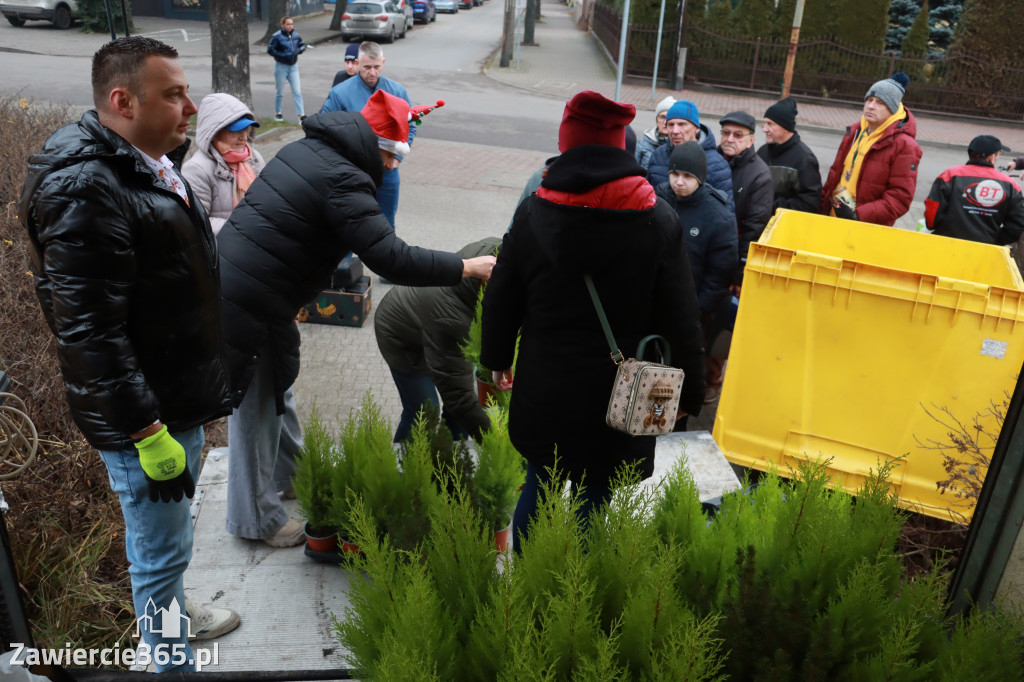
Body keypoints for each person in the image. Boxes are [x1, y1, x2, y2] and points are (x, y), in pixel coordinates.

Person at [18, 36, 239, 673]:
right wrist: (146, 431)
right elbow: (88, 330)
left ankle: (175, 614)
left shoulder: (141, 160)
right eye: (173, 95)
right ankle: (168, 663)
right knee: (158, 554)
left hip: (171, 395)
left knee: (167, 547)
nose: (190, 107)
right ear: (122, 100)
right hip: (150, 416)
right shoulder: (87, 188)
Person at [218, 90, 495, 547]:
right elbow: (391, 258)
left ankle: (290, 477)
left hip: (254, 290)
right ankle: (255, 521)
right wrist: (464, 266)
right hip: (250, 300)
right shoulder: (343, 179)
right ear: (376, 144)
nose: (393, 168)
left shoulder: (307, 149)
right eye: (393, 157)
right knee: (256, 409)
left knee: (277, 392)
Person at [481, 91, 705, 554]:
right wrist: (691, 390)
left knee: (540, 480)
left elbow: (504, 292)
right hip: (618, 389)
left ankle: (525, 586)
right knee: (595, 491)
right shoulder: (658, 219)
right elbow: (682, 313)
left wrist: (496, 358)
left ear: (568, 141)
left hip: (547, 380)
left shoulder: (534, 210)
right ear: (620, 146)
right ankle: (571, 598)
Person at [375, 236, 501, 443]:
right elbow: (458, 395)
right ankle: (405, 462)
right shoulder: (455, 318)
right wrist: (496, 445)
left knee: (459, 412)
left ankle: (453, 455)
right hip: (400, 333)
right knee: (423, 412)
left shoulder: (496, 253)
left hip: (432, 318)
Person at [655, 141, 737, 405]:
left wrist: (697, 309)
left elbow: (719, 274)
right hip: (657, 302)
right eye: (675, 174)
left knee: (684, 369)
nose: (679, 182)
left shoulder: (718, 217)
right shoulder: (658, 200)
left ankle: (680, 413)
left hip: (693, 311)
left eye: (687, 176)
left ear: (700, 178)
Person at [322, 41, 412, 230]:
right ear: (357, 63)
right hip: (352, 171)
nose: (372, 72)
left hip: (386, 171)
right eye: (367, 67)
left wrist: (397, 157)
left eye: (377, 67)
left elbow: (409, 125)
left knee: (385, 223)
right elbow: (326, 127)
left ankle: (385, 259)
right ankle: (345, 259)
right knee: (348, 220)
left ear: (384, 63)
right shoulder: (340, 93)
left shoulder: (397, 92)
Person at [820, 72, 922, 226]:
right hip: (833, 218)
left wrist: (858, 216)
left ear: (892, 109)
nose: (871, 106)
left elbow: (900, 198)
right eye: (869, 100)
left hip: (866, 228)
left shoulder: (905, 146)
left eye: (880, 103)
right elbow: (835, 175)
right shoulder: (854, 132)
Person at [182, 93, 266, 235]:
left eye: (245, 129)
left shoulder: (254, 158)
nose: (243, 137)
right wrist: (244, 227)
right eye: (236, 131)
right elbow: (196, 222)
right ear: (214, 132)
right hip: (224, 249)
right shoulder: (196, 170)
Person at [924, 135, 1024, 245]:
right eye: (998, 155)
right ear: (991, 157)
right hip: (987, 250)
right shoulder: (1010, 185)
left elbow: (932, 214)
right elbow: (1017, 226)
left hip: (946, 244)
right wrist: (996, 240)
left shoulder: (949, 175)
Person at [646, 100, 734, 210]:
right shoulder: (659, 155)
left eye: (682, 124)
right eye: (670, 124)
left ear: (697, 128)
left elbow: (725, 210)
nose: (675, 130)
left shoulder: (716, 164)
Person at [717, 111, 773, 257]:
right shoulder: (709, 160)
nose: (729, 139)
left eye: (738, 135)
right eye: (726, 133)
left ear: (751, 140)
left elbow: (754, 227)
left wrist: (740, 263)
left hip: (731, 253)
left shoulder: (760, 175)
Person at [756, 97, 822, 214]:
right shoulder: (762, 151)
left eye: (770, 124)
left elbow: (810, 202)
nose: (764, 129)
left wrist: (773, 207)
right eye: (765, 123)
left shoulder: (805, 159)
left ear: (786, 128)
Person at [267, 16, 306, 122]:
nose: (290, 26)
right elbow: (270, 49)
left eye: (292, 24)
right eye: (288, 24)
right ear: (283, 25)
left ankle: (301, 115)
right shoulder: (277, 36)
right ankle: (278, 113)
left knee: (297, 91)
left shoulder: (295, 35)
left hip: (293, 66)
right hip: (281, 66)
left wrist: (299, 50)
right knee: (280, 91)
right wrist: (282, 55)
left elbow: (303, 45)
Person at [634, 95, 675, 170]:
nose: (665, 122)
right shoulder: (643, 143)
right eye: (662, 117)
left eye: (669, 117)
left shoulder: (680, 144)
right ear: (657, 120)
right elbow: (634, 170)